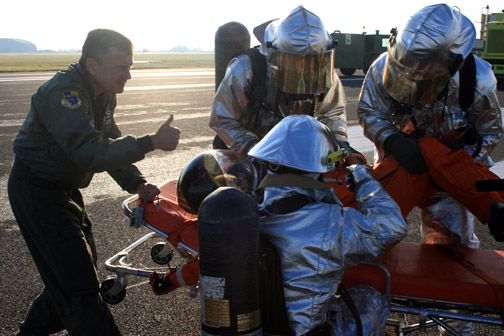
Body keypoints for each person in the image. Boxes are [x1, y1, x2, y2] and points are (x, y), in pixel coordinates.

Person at [8, 29, 180, 335]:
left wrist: (137, 183)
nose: (128, 74)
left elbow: (108, 141)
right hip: (37, 192)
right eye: (120, 67)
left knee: (70, 278)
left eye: (130, 66)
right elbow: (89, 152)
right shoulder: (64, 94)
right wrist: (150, 141)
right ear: (92, 65)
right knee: (80, 290)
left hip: (64, 190)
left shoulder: (104, 94)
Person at [358, 4, 504, 247]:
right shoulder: (382, 67)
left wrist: (448, 167)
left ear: (452, 67)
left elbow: (489, 131)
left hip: (447, 182)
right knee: (374, 237)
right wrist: (391, 140)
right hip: (398, 163)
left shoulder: (476, 78)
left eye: (421, 79)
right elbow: (369, 110)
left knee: (450, 250)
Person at [247, 114, 408, 335]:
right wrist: (363, 178)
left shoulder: (244, 210)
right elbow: (392, 226)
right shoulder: (328, 222)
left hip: (255, 328)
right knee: (369, 298)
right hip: (305, 332)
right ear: (320, 170)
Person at [209, 6, 348, 156]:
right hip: (250, 149)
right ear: (273, 55)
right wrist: (254, 150)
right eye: (295, 61)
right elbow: (222, 118)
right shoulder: (245, 69)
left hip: (296, 150)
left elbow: (333, 114)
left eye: (312, 61)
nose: (305, 69)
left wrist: (337, 145)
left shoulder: (323, 73)